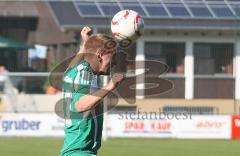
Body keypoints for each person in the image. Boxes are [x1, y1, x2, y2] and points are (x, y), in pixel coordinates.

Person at [60, 26, 124, 156]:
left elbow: (78, 60)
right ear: (100, 55)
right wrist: (110, 86)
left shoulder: (79, 71)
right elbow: (80, 105)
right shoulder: (84, 73)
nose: (114, 61)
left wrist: (86, 43)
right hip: (80, 152)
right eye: (113, 56)